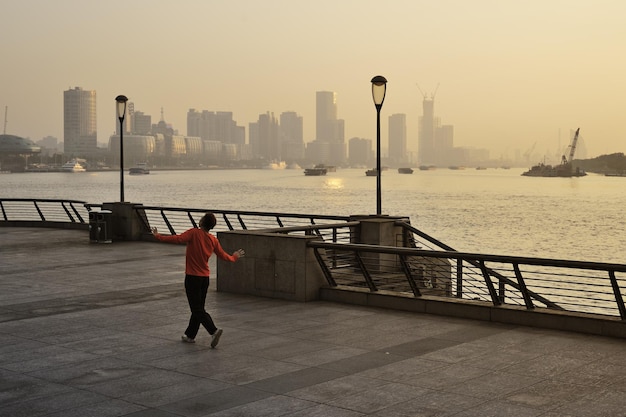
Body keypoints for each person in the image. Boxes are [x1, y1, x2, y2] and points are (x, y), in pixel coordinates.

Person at [151, 212, 244, 348]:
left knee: (196, 309)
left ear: (202, 222)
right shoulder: (213, 240)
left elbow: (177, 239)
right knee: (198, 308)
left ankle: (213, 330)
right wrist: (234, 257)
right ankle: (190, 335)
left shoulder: (194, 233)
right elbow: (224, 256)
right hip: (204, 278)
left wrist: (158, 236)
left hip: (192, 277)